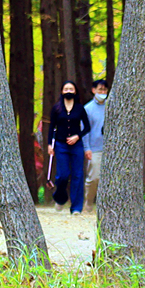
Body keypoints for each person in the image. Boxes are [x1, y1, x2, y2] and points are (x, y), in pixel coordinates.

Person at [47, 80, 91, 215]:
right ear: (62, 91)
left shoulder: (80, 108)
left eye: (71, 89)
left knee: (77, 175)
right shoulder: (56, 108)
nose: (68, 91)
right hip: (60, 145)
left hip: (76, 146)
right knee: (63, 174)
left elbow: (87, 127)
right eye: (66, 89)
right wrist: (50, 144)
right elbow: (51, 127)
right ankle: (60, 199)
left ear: (75, 91)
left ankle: (76, 207)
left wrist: (77, 136)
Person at [83, 78, 109, 209]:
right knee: (94, 177)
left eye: (105, 90)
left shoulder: (112, 106)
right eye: (100, 89)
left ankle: (106, 205)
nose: (102, 92)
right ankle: (88, 202)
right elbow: (85, 130)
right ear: (94, 90)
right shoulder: (87, 109)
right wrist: (87, 148)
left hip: (110, 148)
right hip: (95, 148)